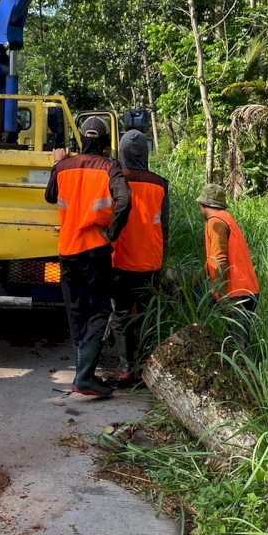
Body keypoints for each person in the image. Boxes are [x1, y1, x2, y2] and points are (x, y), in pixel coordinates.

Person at [45, 116, 131, 397]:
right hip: (96, 251)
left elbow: (50, 196)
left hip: (68, 250)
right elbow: (124, 201)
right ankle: (84, 378)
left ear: (82, 138)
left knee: (76, 312)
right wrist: (112, 233)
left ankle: (84, 375)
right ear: (105, 141)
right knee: (99, 311)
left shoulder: (63, 167)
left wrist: (57, 164)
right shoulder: (110, 168)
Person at [108, 129, 169, 381]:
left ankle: (124, 368)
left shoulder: (116, 178)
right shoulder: (160, 183)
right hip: (150, 260)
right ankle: (146, 366)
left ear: (122, 152)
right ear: (146, 153)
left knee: (121, 313)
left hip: (120, 258)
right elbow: (165, 225)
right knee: (144, 313)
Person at [196, 183, 259, 347]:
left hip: (236, 294)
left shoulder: (215, 222)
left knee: (238, 348)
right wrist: (196, 281)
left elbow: (220, 259)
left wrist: (220, 292)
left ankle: (244, 373)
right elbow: (213, 260)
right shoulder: (226, 218)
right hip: (247, 290)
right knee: (233, 342)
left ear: (202, 205)